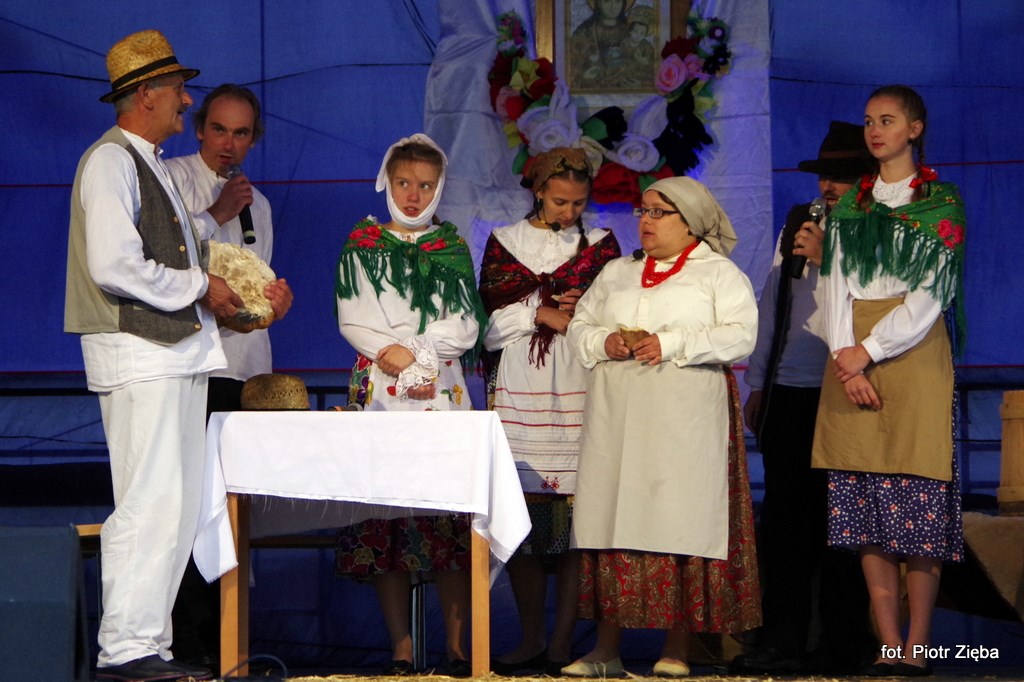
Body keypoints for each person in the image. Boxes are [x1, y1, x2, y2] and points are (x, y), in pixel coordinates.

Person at [63, 29, 242, 682]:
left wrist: (228, 283)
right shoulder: (110, 161)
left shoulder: (149, 161)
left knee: (175, 504)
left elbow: (173, 244)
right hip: (139, 354)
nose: (186, 101)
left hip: (175, 355)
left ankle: (148, 644)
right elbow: (114, 264)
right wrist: (200, 286)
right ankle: (125, 648)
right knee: (148, 500)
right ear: (146, 95)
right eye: (177, 90)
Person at [563, 176, 761, 677]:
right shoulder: (617, 272)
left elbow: (742, 335)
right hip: (617, 419)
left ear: (689, 222)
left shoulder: (717, 273)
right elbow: (580, 325)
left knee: (680, 519)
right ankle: (605, 651)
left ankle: (677, 648)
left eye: (658, 212)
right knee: (612, 518)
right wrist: (603, 342)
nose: (645, 221)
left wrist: (670, 343)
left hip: (683, 423)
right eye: (643, 210)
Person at [811, 85, 966, 677]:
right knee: (866, 500)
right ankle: (889, 642)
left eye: (888, 120)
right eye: (869, 121)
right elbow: (833, 286)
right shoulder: (853, 205)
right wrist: (845, 357)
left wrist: (869, 351)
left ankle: (920, 645)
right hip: (848, 348)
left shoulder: (940, 202)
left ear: (914, 129)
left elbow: (931, 293)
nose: (875, 130)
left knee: (917, 494)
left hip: (912, 348)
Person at [333, 134, 488, 677]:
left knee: (447, 515)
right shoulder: (363, 244)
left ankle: (458, 648)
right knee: (387, 515)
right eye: (404, 183)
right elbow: (353, 316)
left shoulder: (451, 245)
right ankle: (400, 648)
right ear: (387, 182)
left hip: (440, 387)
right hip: (380, 386)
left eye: (425, 185)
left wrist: (419, 352)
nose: (413, 195)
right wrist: (393, 354)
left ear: (439, 188)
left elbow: (465, 324)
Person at [732, 121, 877, 675]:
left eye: (842, 176)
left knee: (843, 522)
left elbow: (875, 299)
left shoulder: (876, 229)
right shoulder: (800, 220)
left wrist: (828, 256)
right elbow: (775, 302)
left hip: (844, 388)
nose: (829, 187)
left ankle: (843, 641)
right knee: (786, 522)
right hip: (791, 389)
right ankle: (781, 638)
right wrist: (759, 381)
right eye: (824, 176)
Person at [165, 83, 294, 671]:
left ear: (253, 139)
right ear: (199, 129)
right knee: (190, 508)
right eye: (219, 129)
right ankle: (181, 642)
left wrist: (272, 307)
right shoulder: (173, 179)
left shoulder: (257, 204)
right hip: (191, 370)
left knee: (233, 509)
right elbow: (164, 261)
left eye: (241, 133)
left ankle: (228, 643)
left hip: (244, 372)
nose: (228, 143)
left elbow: (247, 290)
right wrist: (216, 213)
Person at [478, 148, 621, 676]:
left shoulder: (601, 246)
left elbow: (614, 314)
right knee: (524, 525)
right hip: (520, 389)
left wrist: (580, 313)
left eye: (578, 202)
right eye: (560, 201)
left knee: (578, 527)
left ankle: (561, 643)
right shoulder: (504, 243)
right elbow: (486, 325)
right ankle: (531, 638)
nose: (569, 211)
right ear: (538, 191)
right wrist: (539, 312)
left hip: (580, 389)